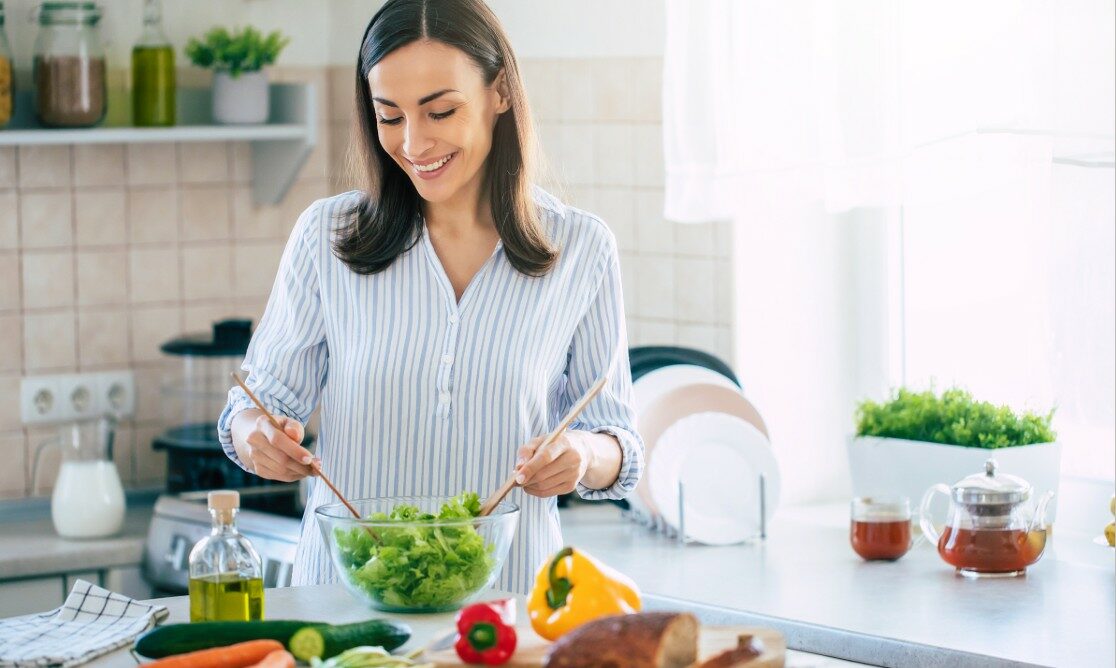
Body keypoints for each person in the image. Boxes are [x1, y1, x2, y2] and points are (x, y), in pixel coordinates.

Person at [217, 0, 643, 594]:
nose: (414, 143)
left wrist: (582, 454)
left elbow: (619, 442)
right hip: (348, 604)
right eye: (389, 116)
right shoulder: (326, 236)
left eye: (440, 111)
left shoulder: (581, 248)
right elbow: (255, 405)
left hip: (506, 609)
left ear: (500, 92)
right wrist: (256, 438)